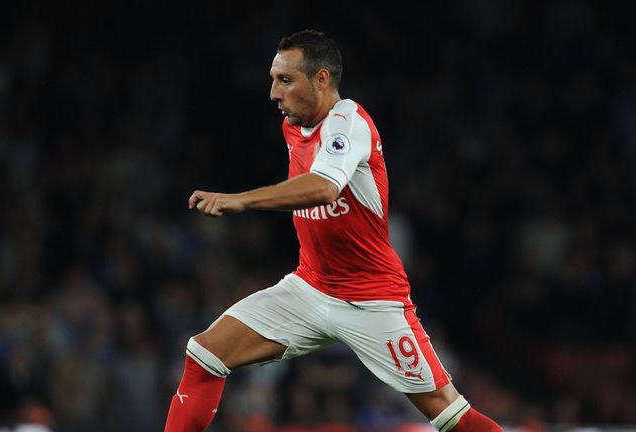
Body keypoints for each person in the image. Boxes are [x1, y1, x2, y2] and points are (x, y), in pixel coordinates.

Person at [165, 29, 503, 432]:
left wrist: (242, 200)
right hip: (310, 288)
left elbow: (325, 187)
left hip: (371, 299)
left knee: (451, 416)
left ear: (321, 79)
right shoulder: (293, 123)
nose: (274, 92)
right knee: (205, 353)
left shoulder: (349, 123)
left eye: (286, 80)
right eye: (273, 79)